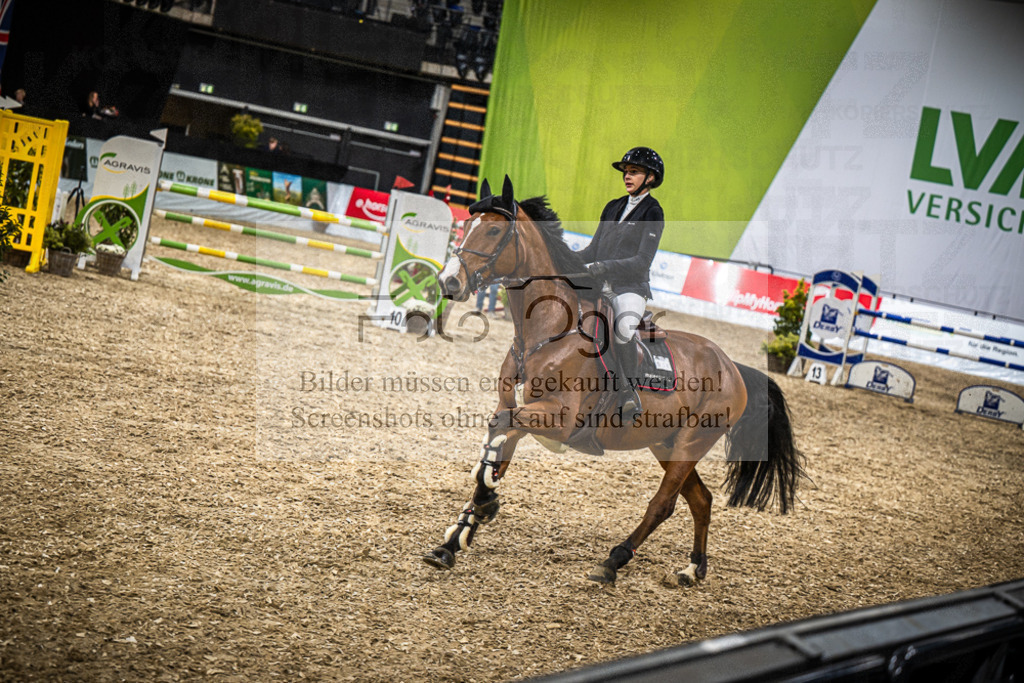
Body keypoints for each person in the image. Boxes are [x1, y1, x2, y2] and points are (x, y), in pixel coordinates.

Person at [577, 146, 666, 419]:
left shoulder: (653, 212)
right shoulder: (613, 206)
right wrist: (561, 257)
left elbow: (642, 261)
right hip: (599, 285)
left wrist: (604, 267)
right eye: (626, 172)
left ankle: (628, 392)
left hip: (630, 288)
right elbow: (592, 251)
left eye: (634, 172)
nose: (627, 177)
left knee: (623, 329)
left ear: (650, 178)